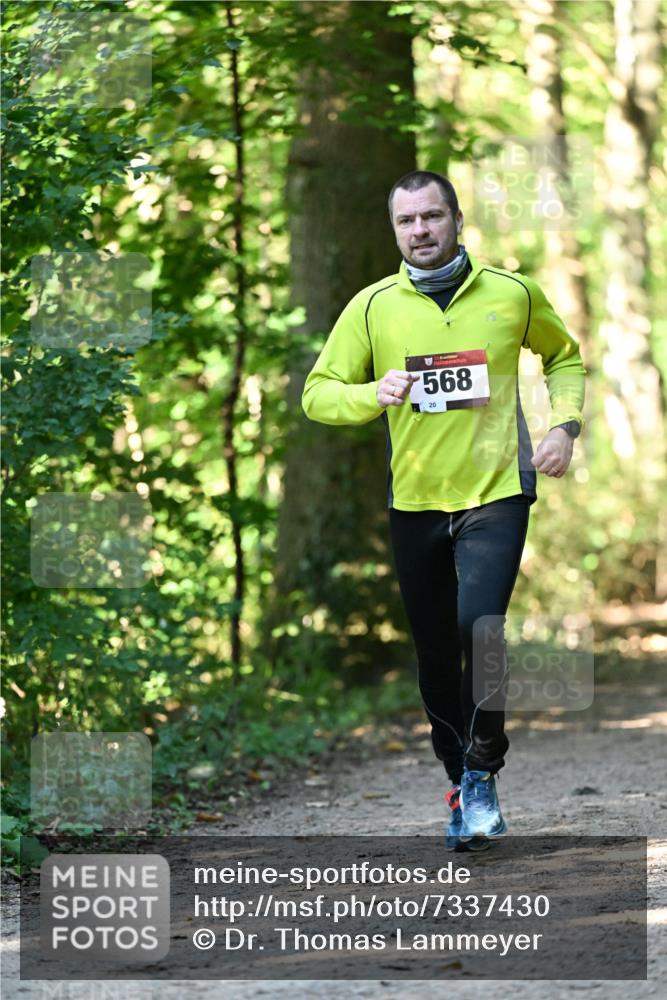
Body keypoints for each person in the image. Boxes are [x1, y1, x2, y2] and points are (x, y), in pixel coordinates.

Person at [301, 170, 586, 850]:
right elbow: (318, 393)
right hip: (416, 503)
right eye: (408, 221)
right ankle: (459, 779)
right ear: (395, 230)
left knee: (478, 627)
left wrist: (561, 428)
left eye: (432, 216)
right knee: (433, 652)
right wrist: (372, 392)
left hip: (495, 491)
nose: (421, 230)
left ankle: (484, 768)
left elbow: (564, 358)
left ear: (456, 219)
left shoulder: (511, 292)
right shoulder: (371, 308)